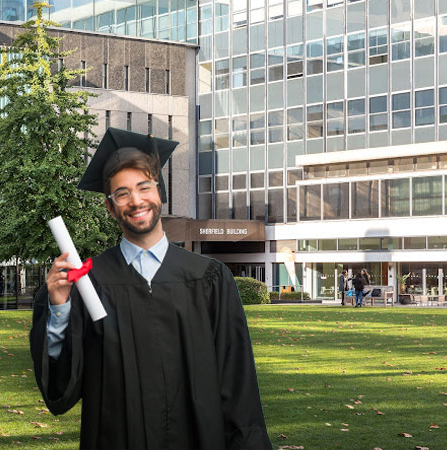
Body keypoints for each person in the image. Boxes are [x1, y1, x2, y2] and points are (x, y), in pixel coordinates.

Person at [30, 128, 272, 449]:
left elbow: (238, 384)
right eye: (122, 193)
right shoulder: (91, 283)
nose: (136, 200)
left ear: (159, 192)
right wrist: (59, 307)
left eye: (144, 187)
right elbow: (61, 389)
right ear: (110, 207)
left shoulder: (209, 279)